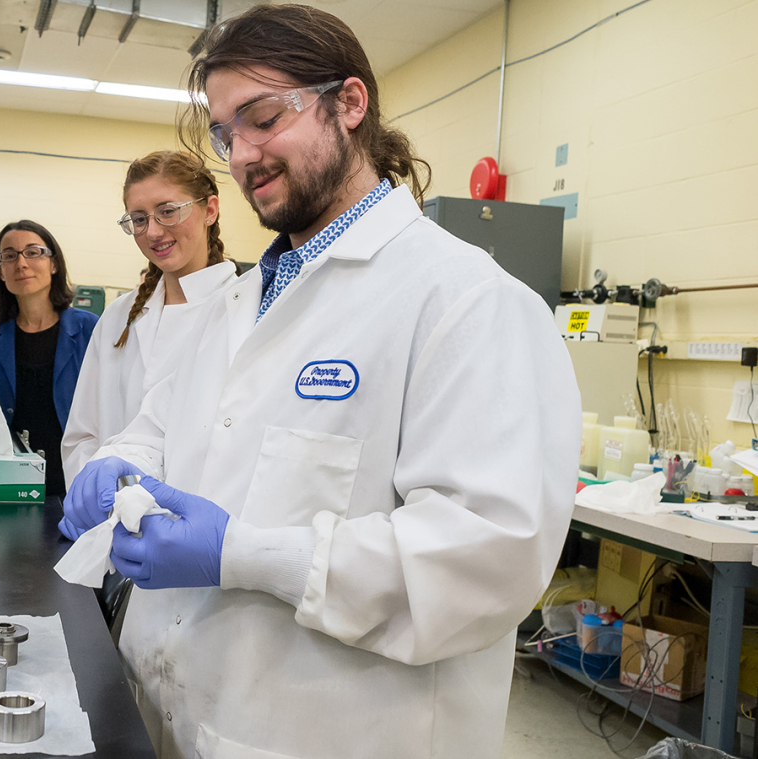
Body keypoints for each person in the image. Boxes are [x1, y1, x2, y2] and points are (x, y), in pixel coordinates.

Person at [61, 5, 581, 758]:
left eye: (263, 117)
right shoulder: (235, 299)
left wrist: (241, 553)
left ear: (350, 103)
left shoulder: (468, 301)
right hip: (165, 713)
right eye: (225, 134)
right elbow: (163, 427)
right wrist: (122, 461)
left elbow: (486, 558)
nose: (241, 155)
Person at [61, 151, 238, 488]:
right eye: (139, 219)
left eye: (168, 212)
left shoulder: (242, 310)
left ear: (210, 210)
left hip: (199, 525)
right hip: (108, 525)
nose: (153, 231)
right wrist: (97, 501)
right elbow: (82, 436)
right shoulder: (118, 317)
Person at [0, 220, 98, 499]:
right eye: (9, 256)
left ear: (54, 264)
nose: (21, 263)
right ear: (0, 271)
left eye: (33, 252)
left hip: (76, 479)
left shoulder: (91, 331)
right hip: (1, 481)